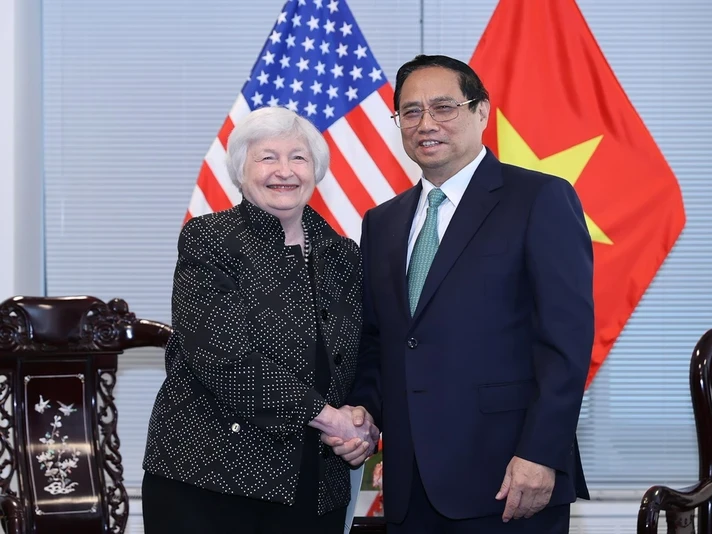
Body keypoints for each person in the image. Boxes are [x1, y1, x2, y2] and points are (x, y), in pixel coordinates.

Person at [325, 55, 594, 533]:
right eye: (410, 112)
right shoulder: (381, 221)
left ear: (481, 112)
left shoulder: (539, 199)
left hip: (510, 480)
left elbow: (565, 343)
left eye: (443, 107)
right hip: (410, 485)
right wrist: (365, 410)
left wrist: (540, 453)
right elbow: (378, 341)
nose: (426, 123)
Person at [141, 106, 378, 534]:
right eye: (267, 157)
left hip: (315, 479)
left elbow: (365, 351)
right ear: (241, 170)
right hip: (212, 478)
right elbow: (223, 360)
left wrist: (362, 419)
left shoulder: (344, 254)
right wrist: (331, 418)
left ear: (316, 170)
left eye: (299, 158)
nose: (284, 171)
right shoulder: (208, 240)